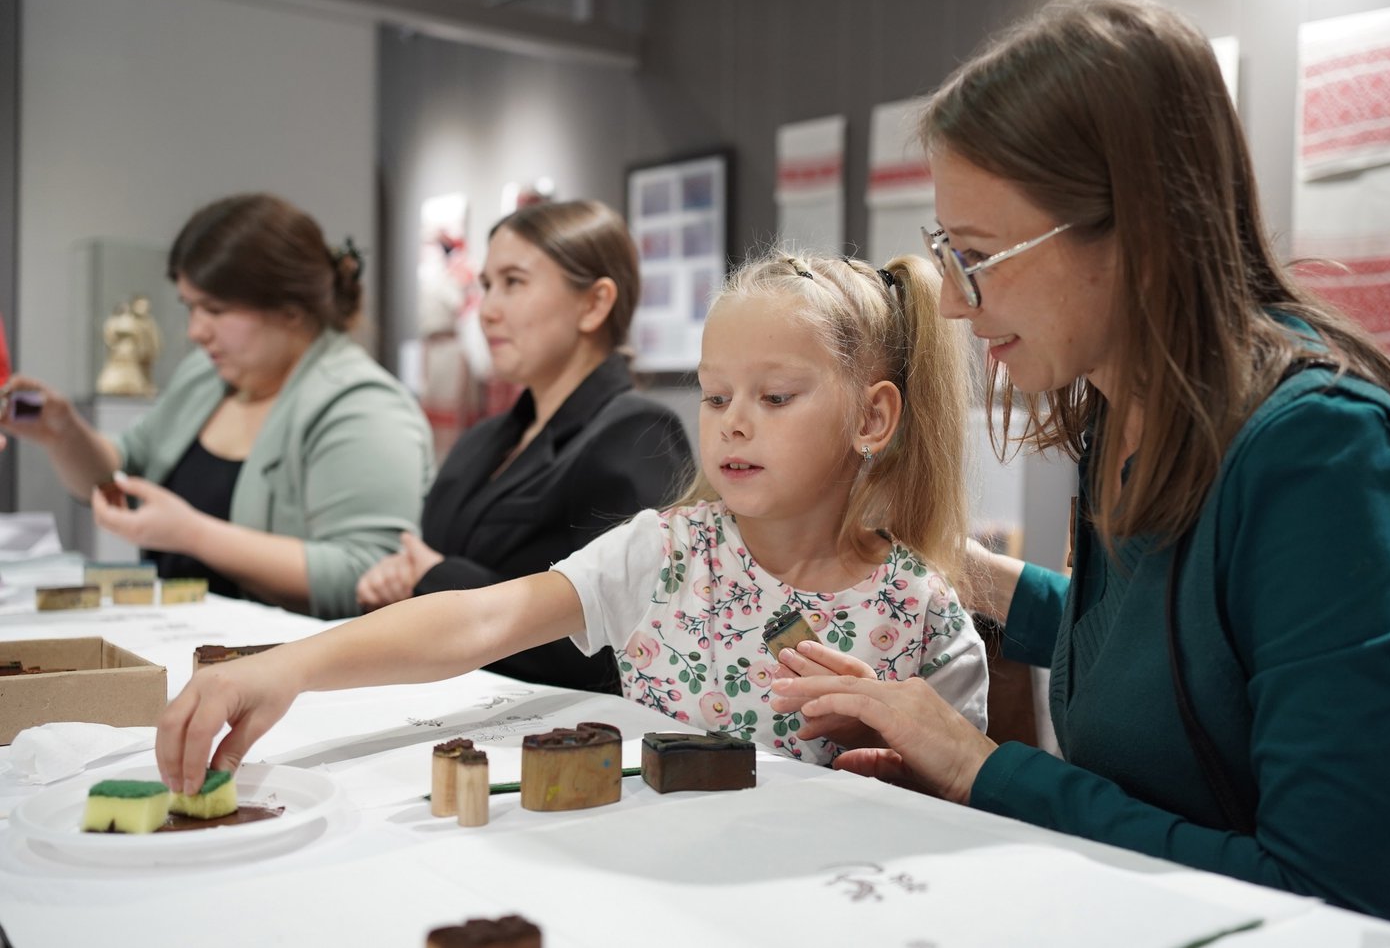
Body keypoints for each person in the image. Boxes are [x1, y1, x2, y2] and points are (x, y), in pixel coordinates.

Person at [769, 0, 1390, 936]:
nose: (961, 308)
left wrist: (981, 765)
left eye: (978, 257)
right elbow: (1167, 636)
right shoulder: (1123, 412)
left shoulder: (1325, 458)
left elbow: (1332, 896)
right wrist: (972, 574)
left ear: (1134, 226)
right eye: (946, 255)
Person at [155, 247, 990, 787]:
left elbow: (965, 788)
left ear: (872, 419)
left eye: (774, 397)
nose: (732, 421)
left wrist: (904, 765)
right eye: (714, 395)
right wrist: (284, 666)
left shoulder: (921, 612)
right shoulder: (662, 553)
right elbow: (482, 618)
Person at [0, 193, 434, 619]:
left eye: (215, 309)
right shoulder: (205, 377)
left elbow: (363, 574)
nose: (195, 331)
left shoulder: (362, 406)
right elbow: (120, 475)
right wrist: (62, 433)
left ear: (290, 311)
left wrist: (193, 535)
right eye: (190, 307)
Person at [354, 199, 694, 694]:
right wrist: (401, 578)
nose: (488, 310)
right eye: (486, 285)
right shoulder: (487, 438)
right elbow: (429, 558)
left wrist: (436, 576)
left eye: (513, 283)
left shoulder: (638, 436)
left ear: (594, 304)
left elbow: (627, 638)